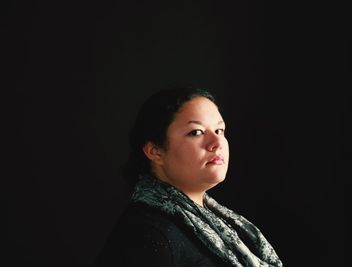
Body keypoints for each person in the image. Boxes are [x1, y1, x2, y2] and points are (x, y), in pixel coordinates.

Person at [94, 87, 282, 267]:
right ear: (155, 151)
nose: (217, 143)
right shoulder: (149, 235)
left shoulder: (217, 220)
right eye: (196, 132)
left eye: (219, 130)